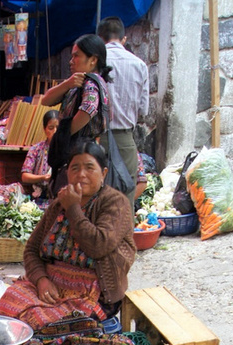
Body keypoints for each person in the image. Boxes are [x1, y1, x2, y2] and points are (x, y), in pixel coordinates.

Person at [0, 142, 136, 345]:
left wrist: (73, 209)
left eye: (90, 167)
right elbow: (31, 250)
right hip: (51, 286)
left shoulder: (115, 203)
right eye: (74, 168)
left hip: (91, 294)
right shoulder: (60, 203)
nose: (81, 174)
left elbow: (98, 245)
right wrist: (40, 280)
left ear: (104, 173)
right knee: (7, 311)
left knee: (43, 328)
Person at [42, 34, 111, 193]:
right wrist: (68, 83)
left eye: (76, 56)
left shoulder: (91, 83)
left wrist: (65, 134)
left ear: (93, 60)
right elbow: (46, 100)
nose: (71, 60)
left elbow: (88, 110)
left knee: (73, 199)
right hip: (77, 150)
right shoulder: (77, 82)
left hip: (81, 151)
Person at [97, 16, 149, 209]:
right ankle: (124, 238)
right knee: (125, 195)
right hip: (126, 139)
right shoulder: (139, 65)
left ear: (100, 39)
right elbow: (144, 109)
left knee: (97, 195)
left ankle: (100, 238)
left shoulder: (97, 63)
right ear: (123, 39)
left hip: (98, 138)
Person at [20, 109, 60, 201]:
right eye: (51, 128)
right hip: (39, 195)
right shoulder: (36, 149)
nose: (55, 131)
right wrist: (43, 178)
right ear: (44, 129)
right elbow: (25, 176)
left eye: (58, 128)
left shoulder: (67, 150)